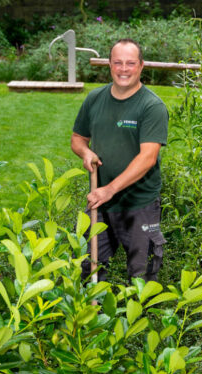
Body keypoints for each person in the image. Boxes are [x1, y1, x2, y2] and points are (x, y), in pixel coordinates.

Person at [71, 38, 169, 281]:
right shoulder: (95, 99)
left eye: (130, 63)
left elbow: (148, 158)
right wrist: (86, 152)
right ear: (109, 65)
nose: (123, 69)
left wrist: (110, 190)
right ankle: (93, 318)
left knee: (141, 276)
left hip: (139, 206)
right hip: (101, 203)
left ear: (141, 66)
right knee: (88, 269)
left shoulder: (151, 106)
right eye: (118, 63)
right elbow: (77, 138)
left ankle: (138, 319)